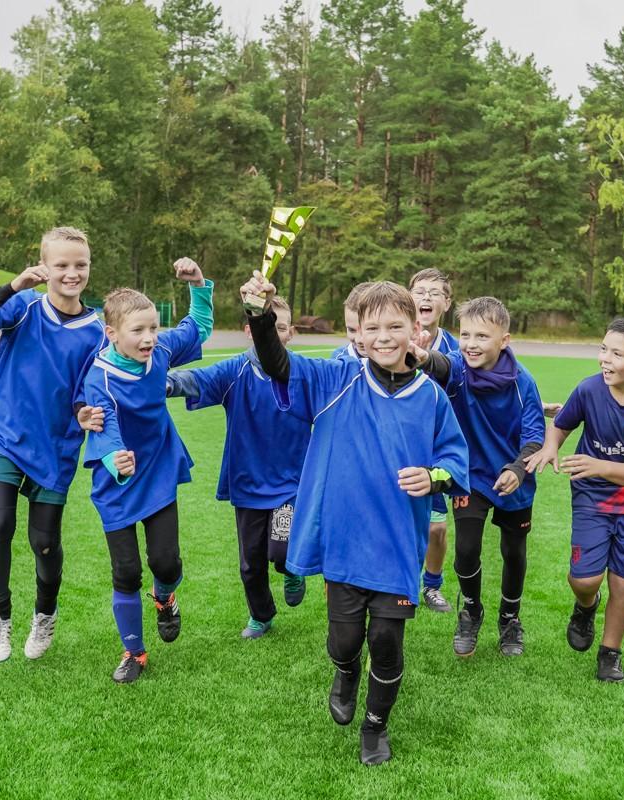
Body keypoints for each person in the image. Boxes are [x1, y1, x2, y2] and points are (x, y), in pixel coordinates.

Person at [243, 272, 468, 766]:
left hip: (397, 546)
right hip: (345, 543)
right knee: (344, 642)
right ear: (358, 334)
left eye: (395, 327)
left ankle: (376, 726)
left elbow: (455, 461)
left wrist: (433, 476)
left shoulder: (431, 396)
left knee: (386, 641)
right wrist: (260, 314)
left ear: (415, 331)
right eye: (373, 328)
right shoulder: (335, 379)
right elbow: (278, 364)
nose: (384, 337)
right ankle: (345, 671)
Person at [0, 227, 104, 663]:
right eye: (62, 265)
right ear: (44, 266)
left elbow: (86, 390)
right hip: (3, 434)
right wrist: (12, 286)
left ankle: (44, 613)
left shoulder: (97, 331)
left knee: (44, 542)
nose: (71, 273)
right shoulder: (23, 307)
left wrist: (82, 412)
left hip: (55, 446)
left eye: (80, 265)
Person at [81, 259, 212, 683]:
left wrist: (199, 285)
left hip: (157, 469)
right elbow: (104, 424)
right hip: (116, 480)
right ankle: (134, 653)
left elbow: (197, 328)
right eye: (138, 330)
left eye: (153, 328)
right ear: (112, 333)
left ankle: (165, 596)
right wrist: (113, 457)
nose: (149, 337)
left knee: (165, 562)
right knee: (126, 572)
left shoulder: (161, 351)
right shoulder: (99, 377)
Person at [525, 315, 624, 683]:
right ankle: (586, 606)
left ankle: (610, 653)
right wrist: (550, 447)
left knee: (623, 580)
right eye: (603, 349)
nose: (605, 358)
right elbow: (561, 425)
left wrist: (599, 465)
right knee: (585, 579)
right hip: (592, 498)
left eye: (617, 354)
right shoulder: (589, 390)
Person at [167, 296, 311, 638]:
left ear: (290, 332)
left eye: (280, 327)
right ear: (250, 330)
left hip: (292, 483)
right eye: (267, 326)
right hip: (248, 481)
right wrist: (155, 382)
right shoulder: (235, 371)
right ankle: (261, 615)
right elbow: (193, 381)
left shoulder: (305, 373)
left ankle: (291, 569)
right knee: (251, 563)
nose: (273, 334)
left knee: (281, 551)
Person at [417, 297, 545, 657]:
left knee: (514, 551)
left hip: (513, 477)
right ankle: (471, 611)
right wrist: (423, 356)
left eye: (482, 336)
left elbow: (534, 436)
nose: (471, 344)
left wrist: (517, 469)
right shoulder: (458, 367)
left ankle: (509, 618)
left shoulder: (523, 382)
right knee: (467, 549)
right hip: (470, 476)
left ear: (504, 340)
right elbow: (439, 364)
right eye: (465, 335)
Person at [408, 268, 459, 613]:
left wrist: (535, 406)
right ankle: (396, 582)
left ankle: (432, 585)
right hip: (399, 444)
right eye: (420, 291)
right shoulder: (394, 336)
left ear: (447, 303)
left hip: (437, 450)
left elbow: (484, 388)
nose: (426, 297)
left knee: (437, 529)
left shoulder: (457, 348)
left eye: (435, 292)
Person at [331, 282, 374, 362]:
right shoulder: (340, 359)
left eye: (369, 329)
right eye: (351, 330)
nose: (359, 340)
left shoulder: (397, 358)